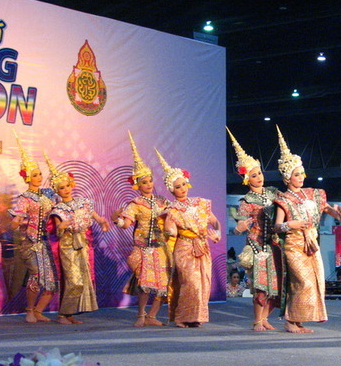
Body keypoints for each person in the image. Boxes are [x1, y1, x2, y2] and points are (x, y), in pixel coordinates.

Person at [273, 126, 341, 333]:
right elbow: (277, 226)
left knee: (314, 282)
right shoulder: (283, 199)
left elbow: (331, 212)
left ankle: (299, 320)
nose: (301, 177)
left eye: (302, 173)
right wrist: (291, 225)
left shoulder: (314, 194)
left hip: (312, 243)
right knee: (301, 281)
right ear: (287, 178)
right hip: (294, 243)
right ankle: (290, 320)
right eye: (296, 174)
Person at [111, 132, 172, 327]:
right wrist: (116, 220)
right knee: (144, 283)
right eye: (144, 182)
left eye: (150, 180)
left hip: (161, 247)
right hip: (144, 247)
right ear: (137, 184)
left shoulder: (162, 201)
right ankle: (141, 315)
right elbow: (126, 224)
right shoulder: (135, 204)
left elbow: (173, 219)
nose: (148, 185)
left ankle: (152, 316)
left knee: (163, 283)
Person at [156, 148, 221, 328]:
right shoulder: (172, 209)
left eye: (184, 184)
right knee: (190, 282)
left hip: (202, 246)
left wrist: (217, 234)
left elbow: (215, 222)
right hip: (184, 248)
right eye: (178, 187)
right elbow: (170, 230)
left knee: (203, 283)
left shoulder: (200, 203)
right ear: (171, 190)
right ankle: (181, 317)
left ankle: (196, 317)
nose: (182, 189)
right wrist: (170, 230)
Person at [227, 127, 283, 331]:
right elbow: (238, 226)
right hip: (257, 245)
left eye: (259, 173)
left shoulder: (274, 192)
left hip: (274, 243)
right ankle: (257, 320)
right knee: (260, 283)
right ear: (246, 179)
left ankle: (266, 317)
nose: (258, 177)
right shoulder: (246, 200)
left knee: (275, 284)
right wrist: (239, 228)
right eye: (253, 175)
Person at [46, 152, 108, 324]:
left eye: (67, 185)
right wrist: (62, 226)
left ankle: (69, 314)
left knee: (83, 280)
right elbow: (58, 230)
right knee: (73, 281)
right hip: (67, 246)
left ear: (72, 184)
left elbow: (96, 218)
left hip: (82, 244)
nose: (66, 189)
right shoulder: (58, 209)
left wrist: (103, 222)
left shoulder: (83, 203)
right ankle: (62, 314)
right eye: (61, 188)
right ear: (57, 190)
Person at [10, 132, 58, 323]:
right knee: (36, 275)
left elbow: (59, 209)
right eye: (34, 175)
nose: (38, 177)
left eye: (39, 174)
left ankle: (39, 310)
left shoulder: (48, 194)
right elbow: (18, 215)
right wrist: (16, 221)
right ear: (27, 177)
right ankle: (29, 310)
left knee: (51, 279)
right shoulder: (24, 198)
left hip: (47, 242)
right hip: (30, 243)